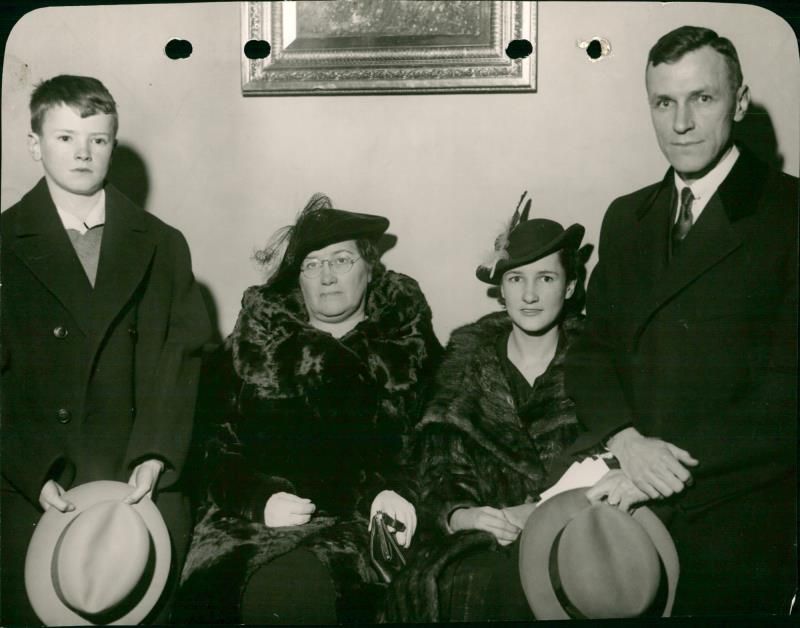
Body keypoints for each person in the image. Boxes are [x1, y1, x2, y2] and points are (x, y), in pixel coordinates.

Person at [567, 26, 797, 615]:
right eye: (664, 102)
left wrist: (659, 468)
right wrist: (627, 442)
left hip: (739, 508)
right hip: (630, 500)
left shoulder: (788, 213)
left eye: (703, 98)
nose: (681, 123)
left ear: (739, 102)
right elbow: (591, 353)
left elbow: (787, 392)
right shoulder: (627, 217)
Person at [0, 74, 211, 625]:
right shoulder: (2, 244)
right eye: (65, 137)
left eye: (97, 138)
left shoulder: (163, 242)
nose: (82, 152)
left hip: (139, 477)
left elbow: (182, 356)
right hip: (33, 477)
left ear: (114, 145)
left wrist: (155, 455)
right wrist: (32, 470)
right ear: (34, 144)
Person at [173, 193, 442, 624]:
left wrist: (400, 491)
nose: (327, 277)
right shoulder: (253, 345)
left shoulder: (409, 348)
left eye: (341, 260)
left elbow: (439, 442)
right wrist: (256, 499)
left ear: (370, 268)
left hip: (364, 525)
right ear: (298, 280)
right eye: (312, 265)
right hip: (249, 523)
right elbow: (210, 442)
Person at [384, 194, 589, 622]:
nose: (529, 295)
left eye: (546, 279)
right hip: (475, 549)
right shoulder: (462, 367)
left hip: (574, 541)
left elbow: (612, 469)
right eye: (516, 279)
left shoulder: (598, 366)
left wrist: (543, 513)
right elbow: (436, 475)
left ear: (569, 287)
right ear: (501, 289)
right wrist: (463, 515)